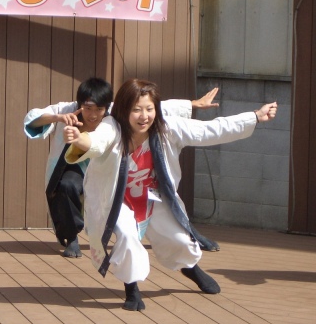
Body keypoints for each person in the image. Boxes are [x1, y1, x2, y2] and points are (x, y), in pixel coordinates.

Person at [63, 78, 277, 311]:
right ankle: (131, 288)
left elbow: (211, 129)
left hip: (153, 195)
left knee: (179, 239)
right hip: (117, 199)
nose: (144, 116)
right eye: (136, 110)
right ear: (124, 109)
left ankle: (191, 269)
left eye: (149, 109)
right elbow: (96, 141)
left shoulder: (167, 128)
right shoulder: (112, 127)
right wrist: (79, 138)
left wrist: (254, 117)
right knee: (126, 235)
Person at [24, 77, 220, 258]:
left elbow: (157, 107)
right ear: (80, 104)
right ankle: (71, 238)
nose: (93, 115)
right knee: (66, 186)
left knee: (157, 193)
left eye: (99, 109)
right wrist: (57, 118)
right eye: (88, 108)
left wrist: (193, 104)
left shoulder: (116, 112)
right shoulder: (66, 110)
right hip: (78, 167)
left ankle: (190, 233)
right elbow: (33, 117)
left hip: (111, 168)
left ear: (108, 106)